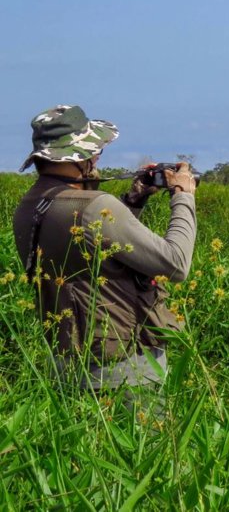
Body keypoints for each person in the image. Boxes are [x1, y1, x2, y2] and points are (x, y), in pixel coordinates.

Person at [12, 104, 197, 410]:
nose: (97, 157)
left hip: (67, 365)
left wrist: (132, 203)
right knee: (143, 456)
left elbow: (88, 253)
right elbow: (175, 264)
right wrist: (183, 197)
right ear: (79, 156)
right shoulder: (94, 206)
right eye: (93, 150)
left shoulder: (29, 206)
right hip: (124, 370)